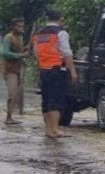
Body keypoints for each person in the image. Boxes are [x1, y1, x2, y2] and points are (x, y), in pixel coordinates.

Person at [32, 9, 77, 138]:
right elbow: (66, 53)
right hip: (57, 69)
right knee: (56, 99)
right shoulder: (61, 33)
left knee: (46, 99)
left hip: (44, 70)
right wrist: (72, 70)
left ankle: (48, 129)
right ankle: (55, 129)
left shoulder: (38, 34)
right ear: (60, 19)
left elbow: (36, 53)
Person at [2, 18, 28, 125]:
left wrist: (25, 51)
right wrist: (21, 55)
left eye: (22, 26)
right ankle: (8, 117)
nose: (21, 28)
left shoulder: (20, 37)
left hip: (18, 68)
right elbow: (5, 53)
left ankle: (11, 115)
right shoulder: (8, 38)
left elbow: (19, 50)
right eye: (19, 26)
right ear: (13, 27)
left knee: (17, 93)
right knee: (12, 93)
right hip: (9, 69)